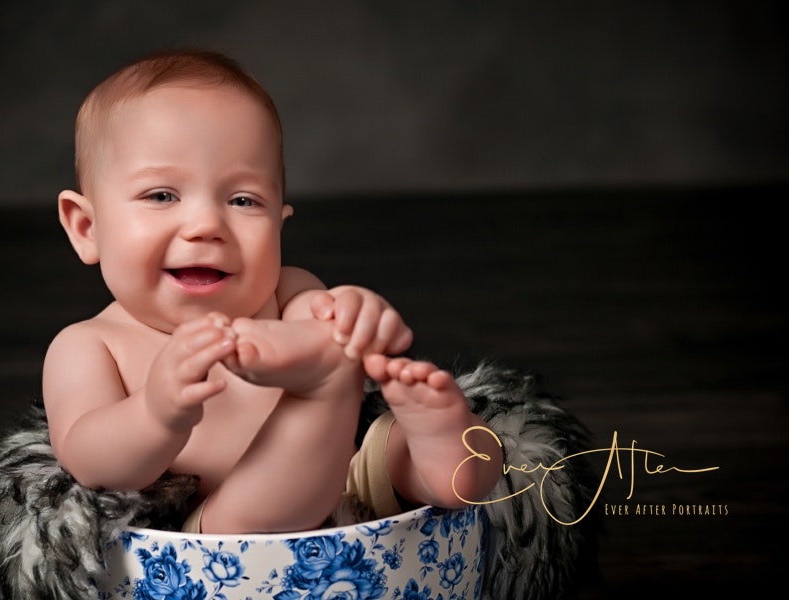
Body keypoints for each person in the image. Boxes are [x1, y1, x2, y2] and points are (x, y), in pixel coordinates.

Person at [42, 48, 502, 535]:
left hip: (344, 484)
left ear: (279, 223)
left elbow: (327, 326)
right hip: (217, 530)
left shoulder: (289, 292)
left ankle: (447, 457)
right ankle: (322, 389)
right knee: (251, 502)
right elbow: (93, 464)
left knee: (406, 445)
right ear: (87, 227)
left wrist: (354, 315)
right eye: (162, 196)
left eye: (243, 200)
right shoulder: (89, 345)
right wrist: (156, 414)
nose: (206, 225)